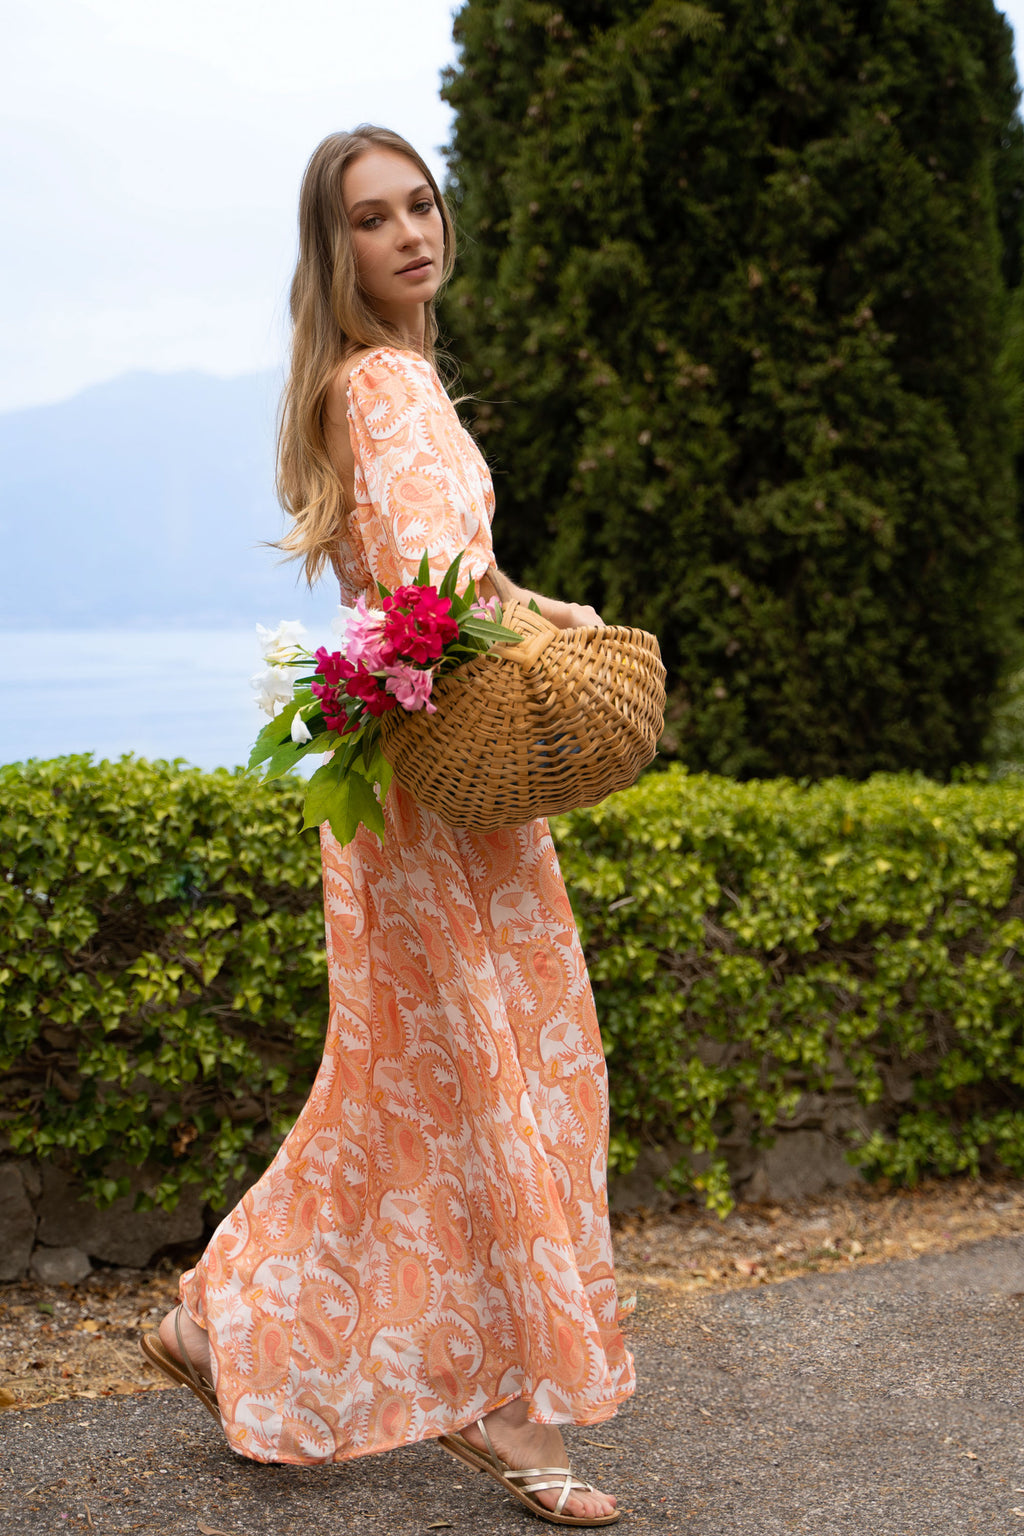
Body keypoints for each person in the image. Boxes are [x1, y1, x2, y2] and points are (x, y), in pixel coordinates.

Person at [141, 124, 634, 1527]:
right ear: (335, 248)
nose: (411, 232)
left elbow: (452, 584)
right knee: (503, 1080)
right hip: (445, 795)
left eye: (421, 204)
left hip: (403, 784)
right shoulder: (390, 384)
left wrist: (537, 604)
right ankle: (508, 1408)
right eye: (373, 217)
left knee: (398, 1090)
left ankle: (217, 1319)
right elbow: (441, 595)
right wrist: (530, 624)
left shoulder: (368, 383)